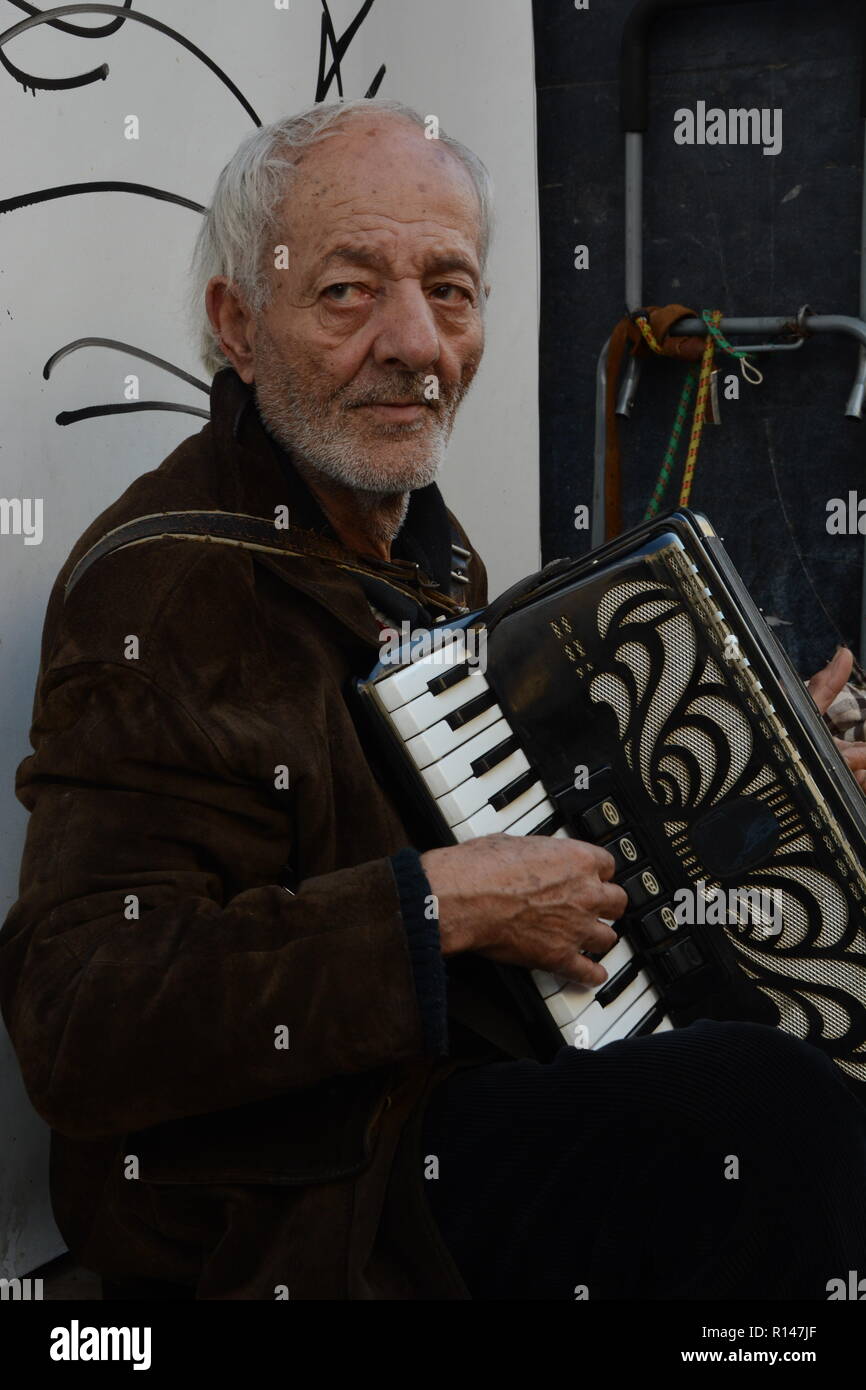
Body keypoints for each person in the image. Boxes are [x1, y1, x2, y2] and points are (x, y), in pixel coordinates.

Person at [1, 98, 865, 1301]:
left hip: (455, 1085)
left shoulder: (423, 549)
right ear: (237, 324)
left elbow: (551, 840)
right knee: (763, 1112)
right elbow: (80, 1015)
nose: (416, 342)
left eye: (449, 290)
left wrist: (776, 792)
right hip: (298, 1190)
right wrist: (426, 912)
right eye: (349, 290)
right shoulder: (168, 587)